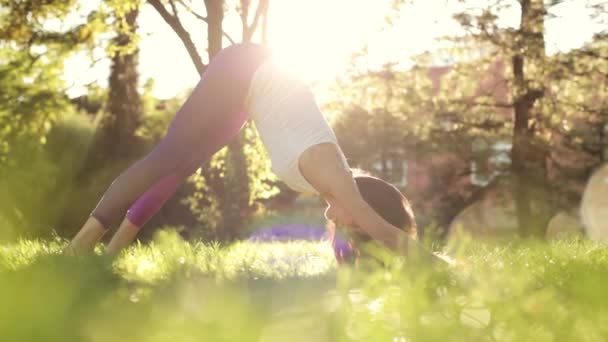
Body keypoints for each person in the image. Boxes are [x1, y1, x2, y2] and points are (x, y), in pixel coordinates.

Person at [67, 43, 435, 263]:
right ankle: (80, 245)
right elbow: (383, 230)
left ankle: (115, 249)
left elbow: (374, 230)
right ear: (364, 205)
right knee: (167, 157)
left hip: (249, 96)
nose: (346, 223)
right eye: (356, 222)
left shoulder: (327, 179)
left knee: (181, 166)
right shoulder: (334, 174)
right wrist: (440, 267)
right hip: (245, 68)